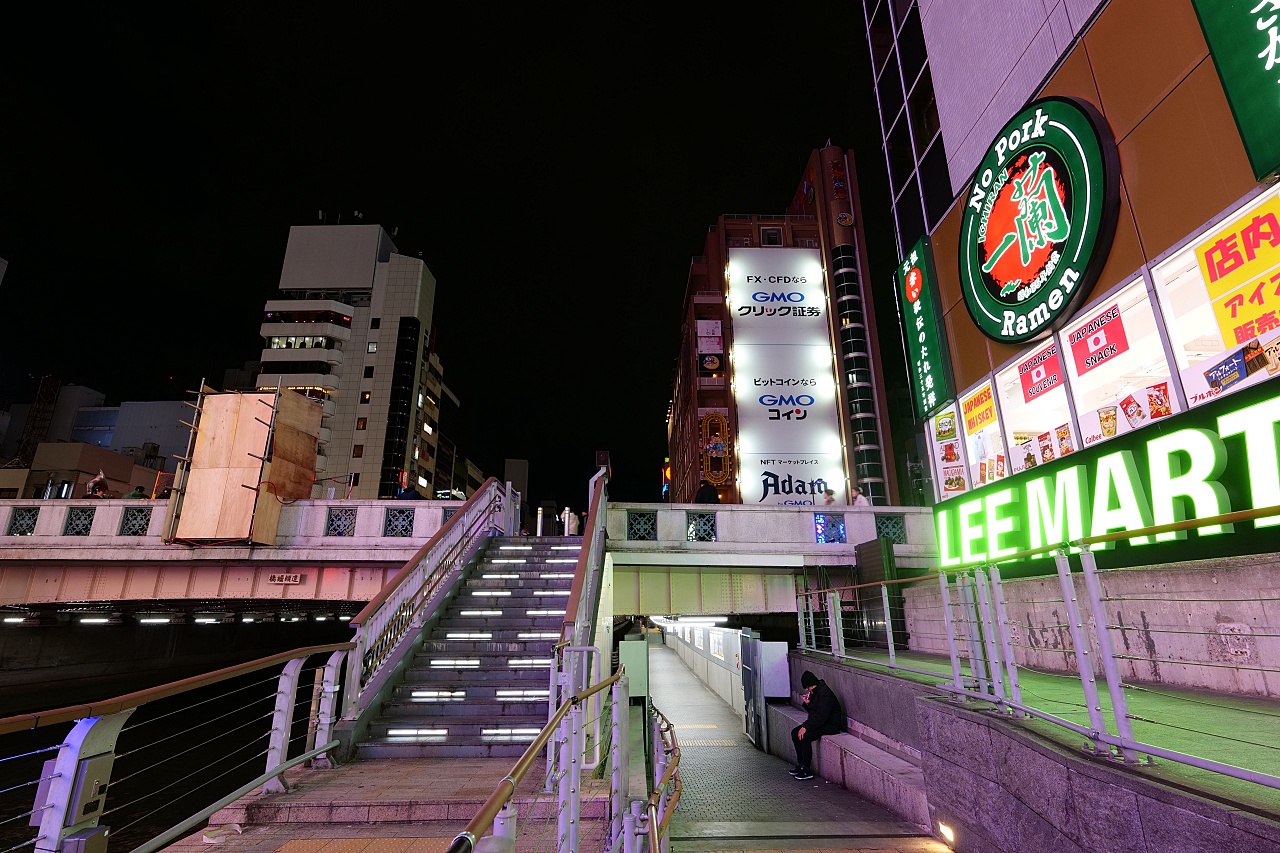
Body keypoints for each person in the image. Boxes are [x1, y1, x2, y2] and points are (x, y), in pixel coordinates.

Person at [789, 670, 843, 780]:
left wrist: (806, 727)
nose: (807, 690)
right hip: (822, 722)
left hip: (830, 725)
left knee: (805, 736)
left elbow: (821, 716)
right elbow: (814, 712)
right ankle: (801, 764)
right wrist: (808, 703)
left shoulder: (825, 694)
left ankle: (806, 769)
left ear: (811, 685)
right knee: (795, 733)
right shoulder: (816, 692)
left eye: (807, 687)